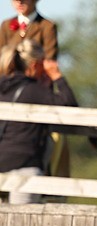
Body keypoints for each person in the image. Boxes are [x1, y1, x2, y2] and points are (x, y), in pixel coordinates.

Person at [0, 40, 76, 204]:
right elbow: (70, 107)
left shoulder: (3, 86)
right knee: (21, 224)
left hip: (2, 160)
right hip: (24, 165)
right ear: (34, 65)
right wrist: (57, 76)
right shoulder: (33, 90)